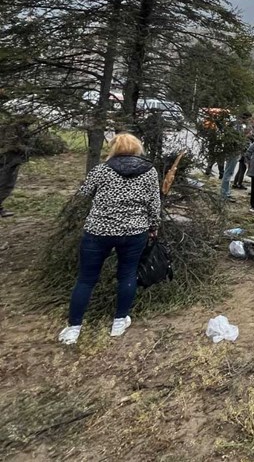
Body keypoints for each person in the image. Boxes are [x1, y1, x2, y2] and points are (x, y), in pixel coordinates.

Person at [58, 133, 160, 345]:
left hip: (98, 231)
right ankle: (119, 322)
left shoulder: (101, 170)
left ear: (114, 148)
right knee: (127, 275)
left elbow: (84, 194)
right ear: (137, 148)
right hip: (134, 232)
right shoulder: (149, 171)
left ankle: (73, 328)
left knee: (86, 279)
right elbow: (154, 203)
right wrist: (153, 227)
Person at [0, 116, 33, 218]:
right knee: (5, 184)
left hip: (9, 160)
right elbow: (10, 145)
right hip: (8, 160)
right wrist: (24, 148)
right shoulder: (12, 128)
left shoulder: (13, 127)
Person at [232, 112, 254, 190]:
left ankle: (236, 183)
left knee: (240, 168)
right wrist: (250, 136)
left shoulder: (243, 125)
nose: (251, 120)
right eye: (250, 118)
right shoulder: (245, 126)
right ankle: (239, 184)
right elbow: (243, 136)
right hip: (244, 149)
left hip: (243, 149)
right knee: (243, 168)